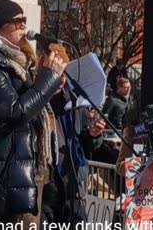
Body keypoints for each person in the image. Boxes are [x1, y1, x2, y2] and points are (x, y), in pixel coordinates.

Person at [0, 0, 67, 227]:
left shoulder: (11, 64)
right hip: (4, 183)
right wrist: (46, 80)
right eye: (17, 22)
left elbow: (26, 105)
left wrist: (49, 87)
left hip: (21, 175)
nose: (24, 27)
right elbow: (15, 111)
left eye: (24, 21)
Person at [38, 44, 106, 224]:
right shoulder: (37, 101)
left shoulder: (76, 102)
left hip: (73, 182)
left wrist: (93, 135)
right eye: (57, 73)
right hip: (46, 188)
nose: (62, 79)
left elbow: (85, 145)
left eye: (65, 73)